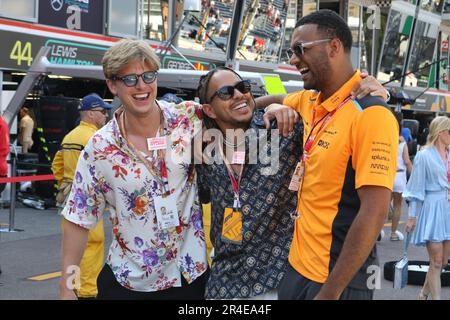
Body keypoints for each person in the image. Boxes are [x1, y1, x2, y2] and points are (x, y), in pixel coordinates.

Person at [196, 64, 386, 300]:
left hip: (277, 281)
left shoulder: (282, 129)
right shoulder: (202, 147)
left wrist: (372, 93)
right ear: (209, 110)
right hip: (224, 283)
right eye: (226, 93)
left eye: (242, 88)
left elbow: (330, 109)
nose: (238, 95)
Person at [257, 10, 398, 300]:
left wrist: (331, 292)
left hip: (336, 282)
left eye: (301, 49)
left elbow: (374, 213)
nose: (293, 59)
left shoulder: (371, 114)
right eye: (290, 50)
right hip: (296, 270)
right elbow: (271, 99)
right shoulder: (311, 101)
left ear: (334, 47)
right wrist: (267, 108)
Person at [59, 39, 208, 300]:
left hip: (189, 277)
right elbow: (77, 220)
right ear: (112, 84)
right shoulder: (99, 148)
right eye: (129, 79)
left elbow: (238, 110)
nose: (141, 86)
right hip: (129, 283)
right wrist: (67, 286)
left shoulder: (187, 118)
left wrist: (276, 104)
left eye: (148, 76)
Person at [51, 93, 111, 299]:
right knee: (93, 244)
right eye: (103, 111)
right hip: (89, 198)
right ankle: (86, 290)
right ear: (91, 113)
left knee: (72, 247)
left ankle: (72, 287)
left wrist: (65, 183)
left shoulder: (70, 136)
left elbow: (56, 164)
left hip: (69, 197)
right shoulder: (96, 138)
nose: (105, 116)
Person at [404, 116, 450, 300]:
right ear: (440, 133)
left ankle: (422, 294)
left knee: (443, 262)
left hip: (448, 209)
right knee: (436, 261)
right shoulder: (424, 156)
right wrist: (412, 216)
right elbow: (416, 188)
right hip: (432, 209)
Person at [390, 133, 413, 241]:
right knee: (397, 206)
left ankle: (377, 232)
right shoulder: (402, 143)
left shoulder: (388, 138)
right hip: (399, 176)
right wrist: (413, 175)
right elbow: (407, 161)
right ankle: (393, 233)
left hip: (388, 174)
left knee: (384, 205)